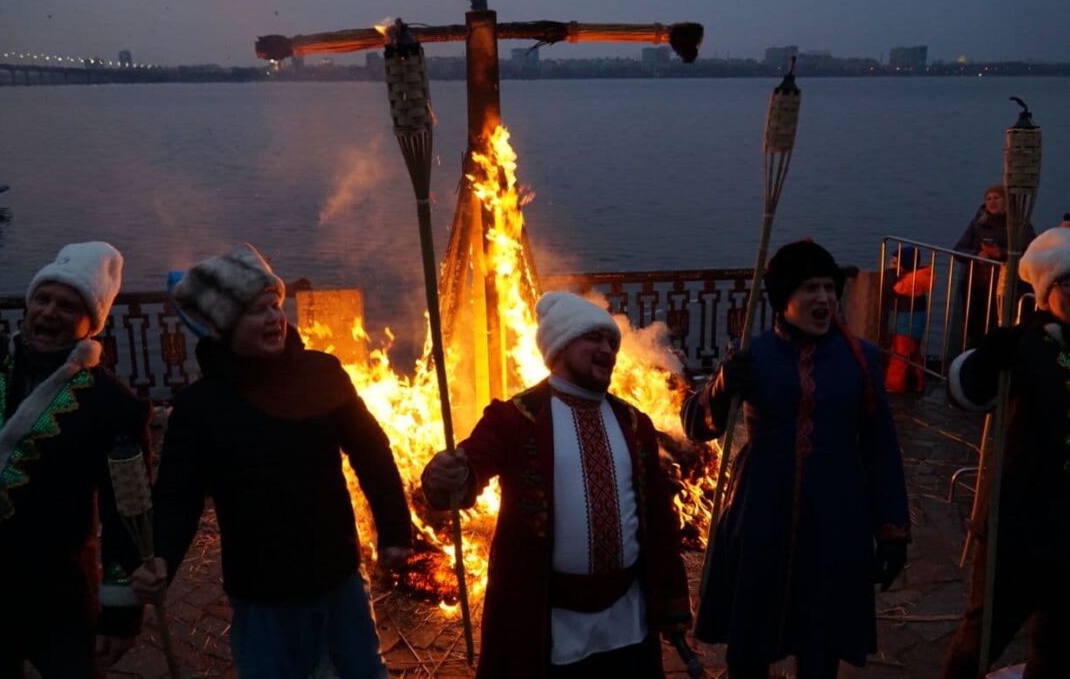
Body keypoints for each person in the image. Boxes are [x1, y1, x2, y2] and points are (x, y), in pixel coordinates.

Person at [131, 244, 411, 679]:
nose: (275, 318)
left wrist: (394, 529)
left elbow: (370, 451)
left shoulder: (322, 373)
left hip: (336, 574)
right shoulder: (201, 407)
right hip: (261, 588)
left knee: (359, 669)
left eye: (276, 305)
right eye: (256, 310)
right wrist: (163, 558)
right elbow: (178, 495)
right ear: (223, 326)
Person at [422, 291, 691, 678]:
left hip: (627, 617)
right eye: (593, 339)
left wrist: (671, 601)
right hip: (546, 619)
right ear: (561, 345)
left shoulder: (634, 423)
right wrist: (448, 474)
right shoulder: (515, 418)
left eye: (611, 343)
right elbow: (468, 471)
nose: (607, 350)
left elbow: (658, 518)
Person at [681, 240, 910, 679]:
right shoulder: (752, 354)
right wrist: (722, 387)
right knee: (750, 644)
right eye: (810, 288)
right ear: (784, 299)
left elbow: (881, 445)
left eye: (829, 287)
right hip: (762, 510)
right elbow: (697, 426)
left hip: (837, 515)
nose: (824, 298)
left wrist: (893, 529)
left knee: (821, 644)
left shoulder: (860, 358)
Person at [0, 242, 150, 677]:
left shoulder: (116, 407)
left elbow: (130, 513)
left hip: (59, 595)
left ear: (90, 324)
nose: (48, 313)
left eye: (67, 306)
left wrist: (121, 616)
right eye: (42, 299)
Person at [942, 227, 1070, 677]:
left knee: (1056, 648)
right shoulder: (1023, 344)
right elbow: (966, 392)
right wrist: (987, 356)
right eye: (1069, 284)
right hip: (1015, 526)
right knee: (981, 639)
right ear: (1047, 290)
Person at [954, 185, 1036, 350]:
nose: (992, 202)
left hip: (1006, 288)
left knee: (999, 329)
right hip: (977, 285)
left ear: (1006, 202)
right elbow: (958, 250)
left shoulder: (1020, 225)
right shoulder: (977, 223)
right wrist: (977, 255)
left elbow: (1031, 253)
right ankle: (974, 360)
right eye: (988, 198)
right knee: (975, 329)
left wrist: (1002, 254)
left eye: (997, 198)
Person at [885, 244, 933, 393]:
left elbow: (895, 289)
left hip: (906, 324)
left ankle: (893, 388)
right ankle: (918, 384)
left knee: (899, 355)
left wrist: (892, 272)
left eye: (894, 262)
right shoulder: (916, 277)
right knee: (913, 354)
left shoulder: (911, 281)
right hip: (911, 323)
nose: (891, 264)